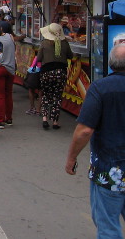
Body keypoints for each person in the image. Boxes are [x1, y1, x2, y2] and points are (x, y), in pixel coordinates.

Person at [65, 43, 125, 239]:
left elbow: (84, 130)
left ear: (111, 63)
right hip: (111, 167)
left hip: (110, 168)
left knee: (107, 224)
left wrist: (72, 158)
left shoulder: (101, 88)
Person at [37, 22, 73, 130]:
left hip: (46, 72)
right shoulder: (65, 43)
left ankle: (44, 119)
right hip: (60, 72)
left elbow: (39, 58)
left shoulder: (44, 43)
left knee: (46, 95)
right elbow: (70, 56)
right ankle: (55, 122)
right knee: (57, 97)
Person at [0, 22, 16, 127]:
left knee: (0, 95)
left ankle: (1, 119)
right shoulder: (9, 37)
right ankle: (9, 118)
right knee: (9, 94)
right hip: (10, 68)